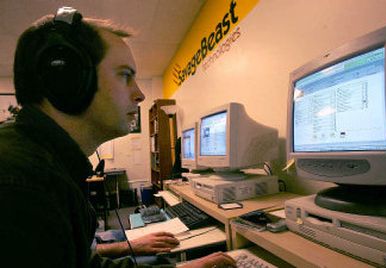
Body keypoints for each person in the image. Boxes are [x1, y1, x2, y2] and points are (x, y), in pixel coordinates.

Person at [0, 6, 236, 268]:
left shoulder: (45, 164)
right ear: (68, 80)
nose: (139, 95)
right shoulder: (19, 184)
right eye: (125, 75)